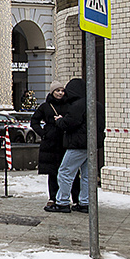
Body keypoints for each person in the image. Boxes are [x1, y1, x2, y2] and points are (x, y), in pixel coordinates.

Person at [31, 81, 77, 209]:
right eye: (57, 91)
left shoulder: (69, 105)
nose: (60, 93)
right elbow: (34, 121)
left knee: (69, 171)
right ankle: (53, 197)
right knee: (53, 172)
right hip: (50, 143)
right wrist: (43, 133)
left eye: (62, 91)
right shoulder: (45, 106)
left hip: (65, 141)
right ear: (52, 92)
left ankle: (73, 198)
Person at [47, 78, 90, 213]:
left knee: (65, 172)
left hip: (77, 144)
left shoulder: (77, 106)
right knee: (87, 175)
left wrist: (60, 121)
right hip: (92, 145)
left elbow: (70, 123)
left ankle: (62, 202)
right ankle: (85, 202)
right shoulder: (95, 104)